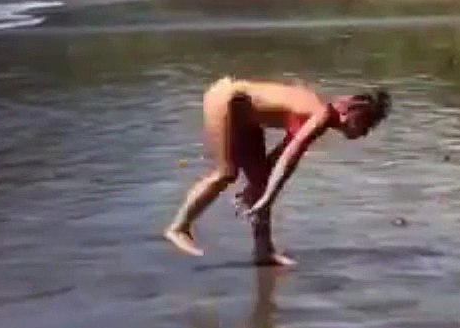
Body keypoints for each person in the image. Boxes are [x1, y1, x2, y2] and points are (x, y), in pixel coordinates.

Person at [163, 76, 391, 265]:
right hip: (226, 100)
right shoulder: (321, 114)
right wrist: (266, 199)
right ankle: (178, 227)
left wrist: (258, 190)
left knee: (261, 182)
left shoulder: (317, 113)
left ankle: (263, 250)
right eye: (366, 125)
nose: (365, 133)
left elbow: (281, 157)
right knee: (226, 173)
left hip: (247, 119)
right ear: (350, 113)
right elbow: (289, 160)